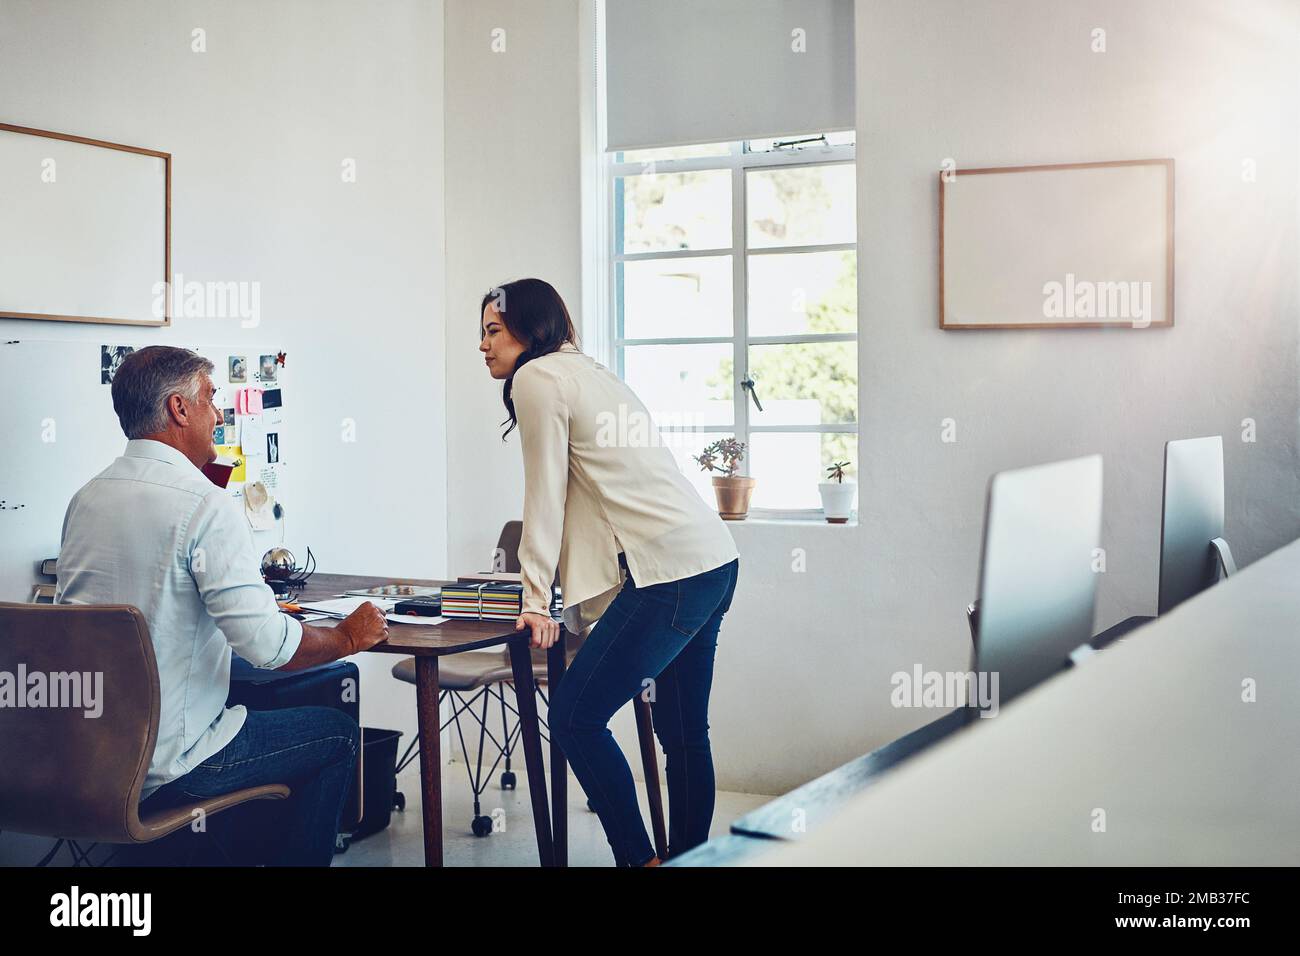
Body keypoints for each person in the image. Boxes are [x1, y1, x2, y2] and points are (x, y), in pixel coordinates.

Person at [55, 346, 389, 866]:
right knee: (336, 734)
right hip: (174, 765)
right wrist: (348, 637)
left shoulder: (86, 499)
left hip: (90, 760)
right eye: (211, 399)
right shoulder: (202, 503)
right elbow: (267, 646)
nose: (219, 415)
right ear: (178, 409)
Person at [481, 278, 740, 866]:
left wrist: (533, 598)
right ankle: (688, 861)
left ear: (530, 327)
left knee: (573, 716)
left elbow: (543, 495)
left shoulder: (537, 378)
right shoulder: (590, 371)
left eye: (493, 330)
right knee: (682, 735)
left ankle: (641, 860)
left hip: (671, 572)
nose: (483, 345)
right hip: (712, 558)